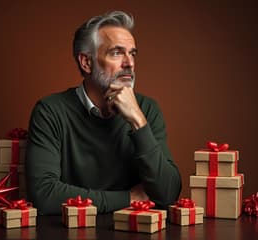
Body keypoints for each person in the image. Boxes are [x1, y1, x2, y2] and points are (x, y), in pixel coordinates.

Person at [25, 10, 181, 215]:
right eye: (117, 52)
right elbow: (43, 195)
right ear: (86, 63)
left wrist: (138, 122)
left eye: (132, 53)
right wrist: (129, 198)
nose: (129, 63)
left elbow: (168, 193)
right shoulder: (50, 111)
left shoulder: (147, 110)